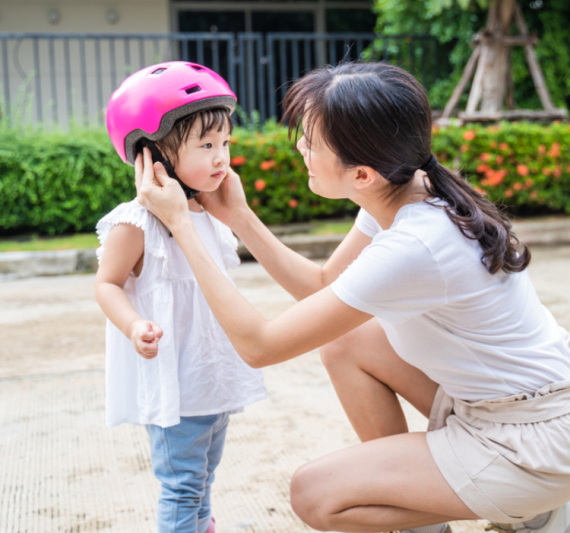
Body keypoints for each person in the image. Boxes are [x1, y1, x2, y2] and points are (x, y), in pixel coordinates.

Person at [134, 61, 570, 533]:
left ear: (362, 174)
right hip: (512, 403)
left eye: (313, 142)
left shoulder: (416, 244)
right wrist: (239, 218)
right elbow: (324, 287)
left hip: (530, 440)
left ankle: (529, 502)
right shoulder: (408, 186)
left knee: (315, 495)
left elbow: (260, 346)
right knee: (346, 341)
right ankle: (447, 516)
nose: (301, 146)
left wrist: (182, 226)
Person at [94, 61, 266, 533]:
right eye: (206, 145)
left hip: (212, 381)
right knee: (182, 485)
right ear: (154, 159)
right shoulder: (135, 224)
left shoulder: (209, 214)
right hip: (177, 387)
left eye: (225, 143)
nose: (221, 158)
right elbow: (107, 284)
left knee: (204, 478)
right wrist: (133, 325)